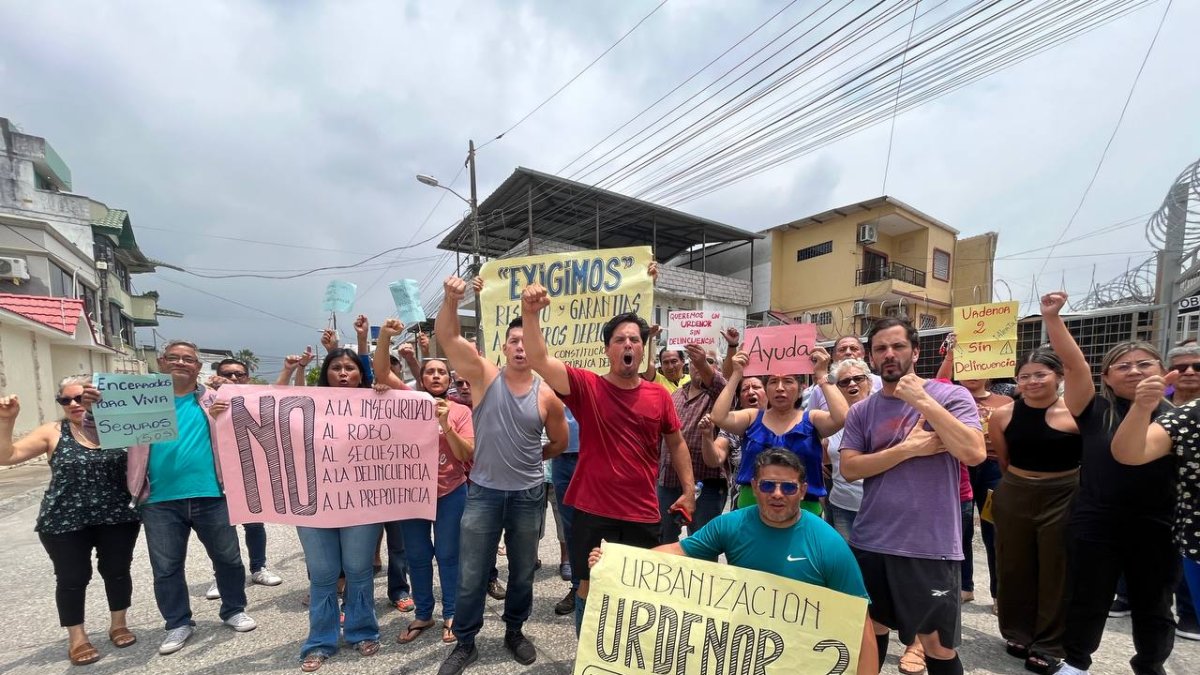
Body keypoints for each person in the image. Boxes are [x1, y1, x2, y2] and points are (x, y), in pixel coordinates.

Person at [519, 266, 698, 638]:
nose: (629, 344)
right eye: (620, 340)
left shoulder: (659, 395)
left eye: (635, 339)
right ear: (608, 349)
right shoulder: (586, 387)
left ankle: (629, 655)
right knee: (588, 586)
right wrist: (531, 313)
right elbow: (539, 359)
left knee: (639, 592)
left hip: (642, 513)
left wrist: (688, 489)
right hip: (592, 511)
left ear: (643, 348)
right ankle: (589, 657)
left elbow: (676, 442)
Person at [587, 449, 879, 675]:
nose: (777, 494)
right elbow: (678, 551)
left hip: (800, 656)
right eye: (768, 486)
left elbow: (859, 621)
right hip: (742, 654)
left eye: (788, 488)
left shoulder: (828, 544)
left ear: (802, 491)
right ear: (754, 486)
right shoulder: (732, 524)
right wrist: (616, 560)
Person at [1039, 291, 1179, 675]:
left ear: (1163, 371)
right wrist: (1052, 318)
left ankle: (1150, 665)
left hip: (1156, 525)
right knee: (1087, 597)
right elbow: (1073, 363)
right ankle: (1077, 662)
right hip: (1095, 520)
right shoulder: (1093, 409)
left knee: (1154, 603)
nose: (1134, 371)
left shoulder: (1176, 418)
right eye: (1122, 366)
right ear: (1106, 378)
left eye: (1144, 364)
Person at [87, 340, 256, 656]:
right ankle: (178, 622)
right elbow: (97, 435)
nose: (181, 362)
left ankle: (233, 609)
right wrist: (92, 409)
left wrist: (225, 414)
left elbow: (250, 426)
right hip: (159, 499)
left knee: (229, 558)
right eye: (174, 357)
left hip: (212, 494)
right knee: (166, 567)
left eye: (189, 359)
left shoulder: (214, 399)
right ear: (162, 362)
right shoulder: (135, 400)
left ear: (197, 366)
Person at [435, 276, 569, 675]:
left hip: (528, 496)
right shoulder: (482, 376)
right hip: (484, 494)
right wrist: (449, 299)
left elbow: (558, 444)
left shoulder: (548, 395)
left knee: (523, 571)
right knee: (472, 572)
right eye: (513, 341)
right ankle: (466, 642)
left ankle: (514, 631)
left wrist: (530, 458)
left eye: (526, 340)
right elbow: (447, 336)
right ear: (504, 348)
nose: (520, 347)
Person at [839, 318, 986, 675]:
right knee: (871, 632)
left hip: (929, 545)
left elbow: (974, 452)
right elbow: (851, 468)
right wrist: (907, 450)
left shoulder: (951, 396)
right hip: (871, 540)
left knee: (937, 645)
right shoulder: (862, 410)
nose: (889, 354)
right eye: (881, 349)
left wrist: (922, 400)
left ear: (915, 351)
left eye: (898, 346)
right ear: (872, 358)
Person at [0, 377, 141, 666]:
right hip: (64, 520)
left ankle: (119, 623)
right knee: (72, 578)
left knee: (117, 571)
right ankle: (77, 637)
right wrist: (6, 421)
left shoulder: (121, 429)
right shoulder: (52, 431)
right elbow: (8, 456)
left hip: (117, 515)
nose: (75, 404)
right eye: (67, 400)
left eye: (82, 398)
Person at [279, 345, 392, 672]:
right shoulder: (306, 404)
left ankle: (362, 630)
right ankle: (320, 641)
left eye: (350, 368)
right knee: (324, 574)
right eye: (336, 368)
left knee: (358, 570)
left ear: (360, 373)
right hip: (314, 505)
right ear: (326, 373)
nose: (343, 373)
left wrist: (385, 396)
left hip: (362, 504)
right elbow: (268, 412)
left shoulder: (377, 403)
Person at [374, 319, 474, 647]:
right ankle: (424, 613)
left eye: (441, 372)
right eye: (429, 371)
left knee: (448, 554)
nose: (434, 376)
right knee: (416, 556)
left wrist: (446, 424)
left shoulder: (460, 411)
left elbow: (466, 454)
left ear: (449, 380)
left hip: (451, 492)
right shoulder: (408, 401)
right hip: (411, 495)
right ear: (421, 378)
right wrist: (385, 337)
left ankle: (452, 614)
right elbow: (380, 373)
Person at [987, 350, 1080, 673]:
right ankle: (1016, 631)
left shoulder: (1076, 414)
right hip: (1015, 491)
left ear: (1059, 376)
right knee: (1013, 565)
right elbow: (1003, 459)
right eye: (1024, 376)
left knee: (1056, 568)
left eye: (1040, 374)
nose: (1032, 381)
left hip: (1064, 494)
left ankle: (1049, 642)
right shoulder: (1003, 415)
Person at [1113, 349, 1200, 650]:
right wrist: (1142, 407)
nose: (1189, 372)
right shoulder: (1185, 417)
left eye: (1197, 366)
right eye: (1181, 367)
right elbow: (1128, 453)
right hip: (1190, 531)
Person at [710, 346, 846, 514]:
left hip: (804, 510)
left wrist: (822, 374)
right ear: (766, 390)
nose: (780, 388)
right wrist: (737, 374)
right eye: (773, 382)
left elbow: (841, 417)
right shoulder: (752, 417)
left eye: (788, 381)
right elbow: (718, 417)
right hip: (751, 508)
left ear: (800, 390)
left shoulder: (812, 419)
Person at [201, 357, 294, 601]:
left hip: (248, 471)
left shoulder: (254, 397)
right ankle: (222, 575)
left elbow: (278, 398)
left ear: (247, 378)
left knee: (254, 524)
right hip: (216, 475)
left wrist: (289, 369)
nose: (233, 378)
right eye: (227, 373)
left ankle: (258, 567)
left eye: (239, 374)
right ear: (215, 376)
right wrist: (211, 415)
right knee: (220, 529)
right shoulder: (203, 400)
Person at [935, 334, 1013, 604]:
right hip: (961, 469)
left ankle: (999, 594)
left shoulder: (1005, 403)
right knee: (963, 531)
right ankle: (965, 586)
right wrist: (951, 354)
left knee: (995, 532)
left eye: (978, 366)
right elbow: (938, 382)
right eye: (966, 366)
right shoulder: (951, 398)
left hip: (994, 470)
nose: (972, 373)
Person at [658, 344, 727, 543]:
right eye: (695, 361)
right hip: (668, 481)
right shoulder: (675, 395)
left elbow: (720, 385)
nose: (699, 364)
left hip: (706, 483)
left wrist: (702, 362)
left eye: (708, 361)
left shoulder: (720, 395)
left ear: (718, 369)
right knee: (663, 541)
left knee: (702, 546)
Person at [822, 358, 874, 540]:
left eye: (858, 378)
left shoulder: (884, 416)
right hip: (842, 507)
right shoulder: (832, 421)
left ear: (869, 382)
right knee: (846, 564)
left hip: (879, 508)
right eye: (844, 382)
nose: (852, 383)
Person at [549, 406, 581, 617]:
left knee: (604, 524)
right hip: (560, 457)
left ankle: (609, 588)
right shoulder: (548, 382)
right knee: (572, 528)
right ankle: (579, 588)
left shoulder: (595, 375)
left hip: (593, 455)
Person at [808, 335, 883, 412]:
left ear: (863, 354)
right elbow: (809, 421)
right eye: (842, 350)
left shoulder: (881, 383)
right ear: (833, 357)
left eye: (854, 349)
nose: (848, 352)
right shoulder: (820, 390)